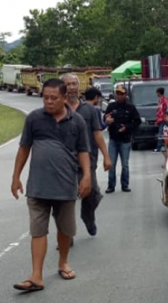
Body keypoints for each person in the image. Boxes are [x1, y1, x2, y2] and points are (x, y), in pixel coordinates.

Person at [11, 79, 92, 292]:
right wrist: (16, 177)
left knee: (65, 230)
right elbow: (24, 149)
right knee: (38, 230)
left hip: (65, 186)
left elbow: (84, 151)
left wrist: (86, 177)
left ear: (65, 98)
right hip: (37, 187)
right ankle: (36, 276)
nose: (48, 102)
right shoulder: (34, 119)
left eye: (54, 98)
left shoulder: (77, 122)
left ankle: (63, 262)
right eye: (45, 97)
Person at [62, 75, 112, 236]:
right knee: (65, 201)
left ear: (79, 86)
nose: (71, 87)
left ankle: (88, 216)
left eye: (74, 84)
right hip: (63, 163)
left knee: (92, 194)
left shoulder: (89, 110)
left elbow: (97, 134)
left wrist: (106, 156)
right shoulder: (57, 109)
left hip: (87, 162)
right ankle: (66, 235)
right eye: (67, 84)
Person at [104, 85, 141, 193]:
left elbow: (137, 121)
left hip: (125, 140)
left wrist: (127, 128)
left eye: (122, 94)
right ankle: (111, 185)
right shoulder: (111, 106)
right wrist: (107, 120)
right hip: (113, 139)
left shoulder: (131, 108)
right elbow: (105, 118)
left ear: (126, 95)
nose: (119, 96)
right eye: (118, 94)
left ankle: (125, 185)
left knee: (125, 165)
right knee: (111, 164)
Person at [154, 87, 168, 152]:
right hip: (160, 120)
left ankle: (158, 148)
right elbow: (159, 111)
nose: (156, 94)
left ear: (159, 93)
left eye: (157, 92)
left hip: (164, 119)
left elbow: (167, 109)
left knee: (161, 134)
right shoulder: (160, 101)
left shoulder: (164, 100)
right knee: (161, 134)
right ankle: (162, 146)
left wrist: (166, 117)